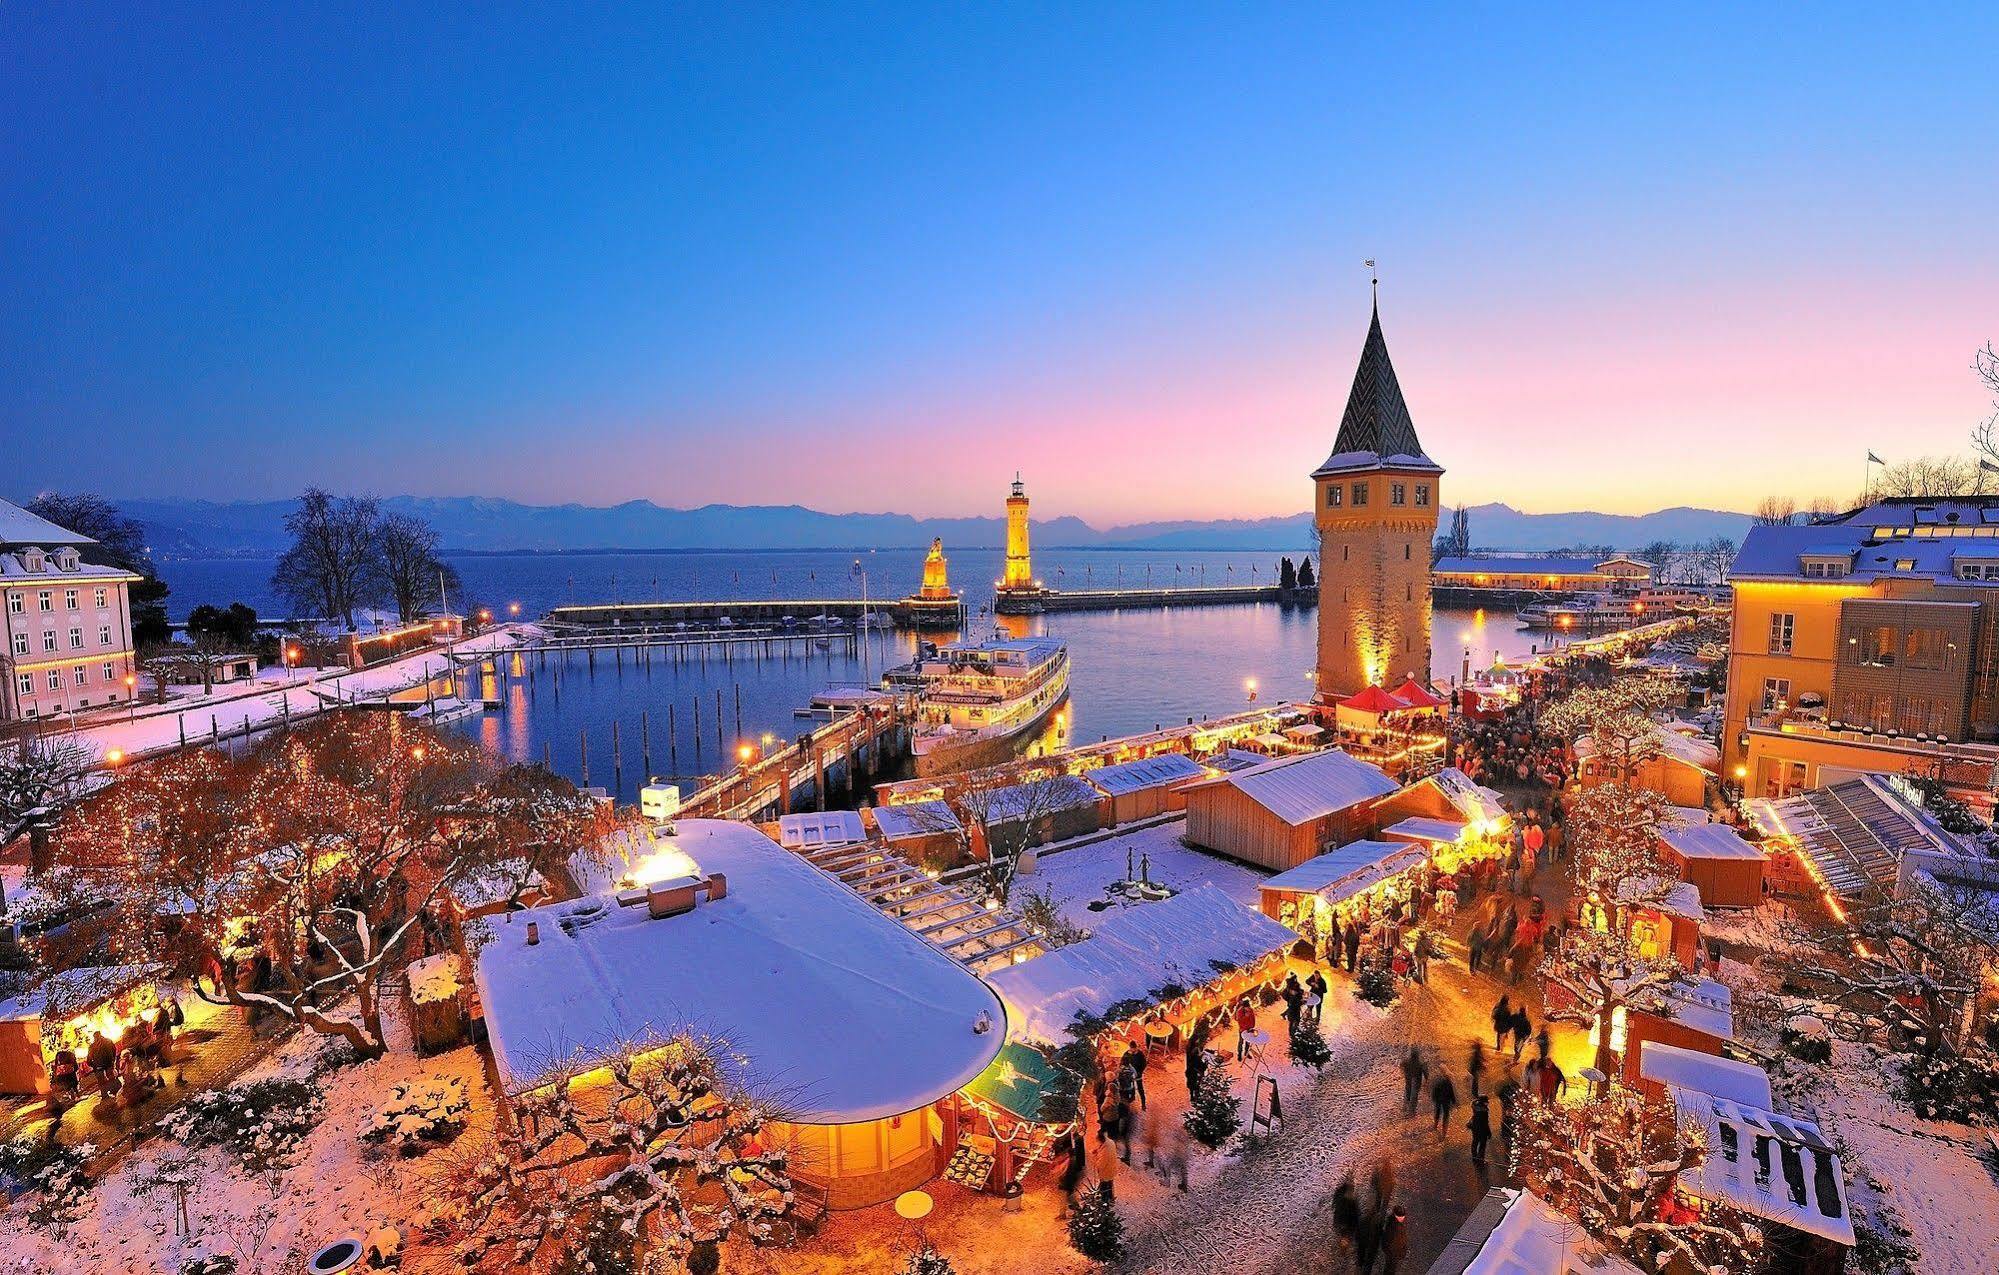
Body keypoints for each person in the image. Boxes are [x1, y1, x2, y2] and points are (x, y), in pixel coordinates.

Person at [1056, 1125, 1087, 1211]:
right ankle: (1070, 1210)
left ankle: (1073, 1210)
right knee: (1068, 1195)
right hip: (1069, 1178)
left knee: (1068, 1195)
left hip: (1068, 1180)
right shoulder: (1076, 1140)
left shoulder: (1071, 1158)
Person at [87, 1029, 118, 1098]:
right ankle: (115, 1091)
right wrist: (113, 1059)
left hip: (98, 1066)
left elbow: (88, 1060)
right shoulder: (108, 1041)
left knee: (101, 1081)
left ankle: (104, 1094)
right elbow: (114, 1050)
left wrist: (94, 1065)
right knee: (111, 1076)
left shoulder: (92, 1046)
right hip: (109, 1062)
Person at [1119, 1041, 1149, 1110]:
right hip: (1129, 1076)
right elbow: (1122, 1062)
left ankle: (1143, 1104)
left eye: (1134, 1048)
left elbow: (1144, 1064)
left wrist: (1140, 1072)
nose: (1133, 1050)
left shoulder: (1140, 1054)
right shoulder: (1126, 1054)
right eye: (1132, 1048)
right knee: (1131, 1087)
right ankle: (1132, 1097)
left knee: (1140, 1088)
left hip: (1138, 1075)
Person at [1381, 1205, 1410, 1275]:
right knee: (1390, 1268)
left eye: (1402, 1217)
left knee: (1391, 1268)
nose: (1401, 1219)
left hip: (1397, 1252)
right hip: (1392, 1253)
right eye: (1399, 1217)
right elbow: (1386, 1239)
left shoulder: (1399, 1223)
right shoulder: (1392, 1225)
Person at [1400, 1045, 1428, 1117]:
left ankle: (1405, 1108)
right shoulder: (1421, 1062)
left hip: (1408, 1079)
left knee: (1408, 1093)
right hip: (1416, 1080)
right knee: (1414, 1096)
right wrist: (1426, 1079)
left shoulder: (1406, 1061)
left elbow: (1401, 1065)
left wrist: (1403, 1072)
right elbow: (1425, 1072)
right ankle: (1412, 1111)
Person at [1467, 1093, 1493, 1165]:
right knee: (1482, 1144)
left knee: (1475, 1141)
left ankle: (1474, 1157)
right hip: (1482, 1129)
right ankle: (1480, 1159)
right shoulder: (1483, 1111)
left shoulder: (1475, 1107)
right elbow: (1485, 1123)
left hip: (1475, 1127)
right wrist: (1489, 1132)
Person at [1280, 974, 1304, 1042]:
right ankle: (1292, 1034)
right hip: (1293, 1010)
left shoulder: (1294, 986)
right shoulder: (1291, 990)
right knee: (1293, 1021)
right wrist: (1301, 1002)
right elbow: (1295, 1004)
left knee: (1294, 1020)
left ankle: (1293, 1032)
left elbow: (1298, 992)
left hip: (1294, 1009)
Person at [1233, 996, 1258, 1061]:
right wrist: (1245, 1017)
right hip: (1242, 1030)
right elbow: (1239, 1021)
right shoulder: (1240, 1011)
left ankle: (1246, 1053)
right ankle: (1239, 1054)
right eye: (1247, 1009)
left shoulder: (1250, 1010)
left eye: (1249, 1008)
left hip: (1249, 1029)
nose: (1248, 1010)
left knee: (1248, 1042)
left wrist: (1252, 1027)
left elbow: (1253, 1019)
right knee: (1241, 1042)